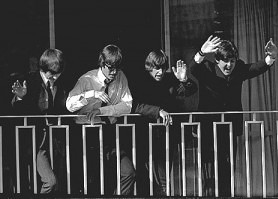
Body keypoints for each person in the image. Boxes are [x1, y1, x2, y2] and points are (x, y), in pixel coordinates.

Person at [190, 35, 278, 196]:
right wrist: (202, 52)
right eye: (226, 61)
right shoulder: (208, 68)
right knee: (208, 169)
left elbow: (257, 67)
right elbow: (193, 68)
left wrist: (271, 56)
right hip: (208, 128)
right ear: (217, 60)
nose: (229, 65)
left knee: (227, 167)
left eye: (232, 61)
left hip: (229, 128)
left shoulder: (239, 68)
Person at [66, 44, 135, 195]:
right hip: (87, 134)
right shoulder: (86, 79)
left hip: (109, 132)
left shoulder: (120, 76)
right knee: (94, 180)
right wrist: (91, 94)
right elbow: (69, 105)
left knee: (128, 173)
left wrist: (101, 111)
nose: (114, 72)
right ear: (102, 64)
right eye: (111, 68)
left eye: (117, 68)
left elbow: (127, 105)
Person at [130, 50, 197, 195]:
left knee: (163, 180)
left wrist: (184, 80)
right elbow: (135, 105)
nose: (159, 71)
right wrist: (158, 110)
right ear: (149, 66)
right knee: (148, 179)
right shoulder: (140, 81)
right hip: (145, 136)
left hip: (167, 136)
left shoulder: (170, 79)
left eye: (162, 68)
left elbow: (191, 90)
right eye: (156, 68)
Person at [11, 48, 69, 193]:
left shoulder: (61, 83)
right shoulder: (29, 80)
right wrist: (20, 97)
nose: (56, 77)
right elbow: (17, 110)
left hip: (56, 141)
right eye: (53, 73)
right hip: (37, 143)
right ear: (44, 68)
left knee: (58, 184)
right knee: (50, 182)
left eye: (59, 73)